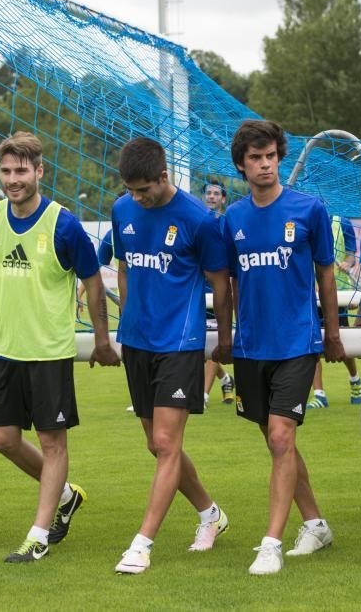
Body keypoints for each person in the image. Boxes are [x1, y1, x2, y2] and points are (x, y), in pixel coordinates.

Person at [0, 131, 119, 563]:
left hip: (48, 352)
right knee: (2, 439)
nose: (12, 179)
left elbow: (92, 279)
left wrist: (101, 339)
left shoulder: (63, 223)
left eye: (21, 170)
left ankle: (38, 534)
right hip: (4, 349)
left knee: (53, 442)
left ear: (39, 171)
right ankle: (64, 494)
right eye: (5, 171)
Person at [221, 120, 345, 575]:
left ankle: (270, 544)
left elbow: (327, 276)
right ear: (241, 165)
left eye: (271, 155)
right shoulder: (232, 218)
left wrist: (331, 334)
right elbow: (229, 283)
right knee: (278, 445)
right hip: (252, 348)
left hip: (297, 342)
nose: (265, 164)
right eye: (255, 158)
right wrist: (228, 337)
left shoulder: (309, 209)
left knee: (280, 436)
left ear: (280, 157)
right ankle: (315, 524)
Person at [111, 137, 232, 575]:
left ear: (164, 177)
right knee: (157, 445)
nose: (137, 198)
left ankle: (141, 545)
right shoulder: (122, 209)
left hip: (180, 344)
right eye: (131, 190)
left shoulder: (199, 219)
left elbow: (220, 283)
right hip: (137, 342)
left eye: (144, 189)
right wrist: (126, 322)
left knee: (166, 444)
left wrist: (226, 337)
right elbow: (124, 267)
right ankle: (210, 514)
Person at [308, 212, 361, 408]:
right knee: (312, 343)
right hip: (311, 293)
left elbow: (351, 254)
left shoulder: (343, 222)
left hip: (337, 293)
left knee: (340, 342)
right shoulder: (304, 218)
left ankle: (355, 380)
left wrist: (347, 262)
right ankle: (319, 395)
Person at [202, 179, 235, 405]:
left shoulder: (226, 224)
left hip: (220, 294)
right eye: (209, 193)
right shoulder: (199, 223)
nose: (212, 196)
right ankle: (226, 378)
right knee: (200, 349)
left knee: (214, 343)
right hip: (198, 294)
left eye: (216, 193)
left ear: (223, 199)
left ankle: (202, 395)